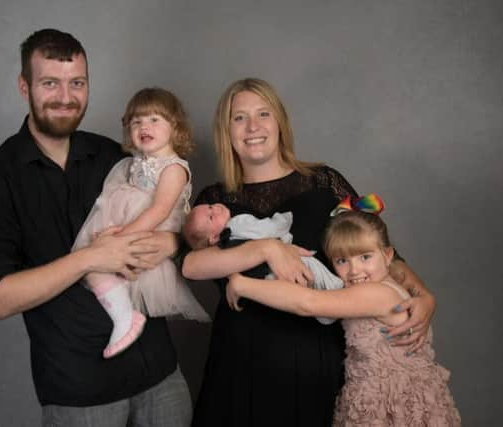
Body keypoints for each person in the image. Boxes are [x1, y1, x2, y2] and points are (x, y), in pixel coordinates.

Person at [0, 29, 191, 426]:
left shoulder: (114, 155)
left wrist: (170, 242)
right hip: (81, 395)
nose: (66, 97)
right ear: (23, 86)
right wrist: (89, 259)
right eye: (50, 83)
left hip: (162, 379)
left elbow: (174, 215)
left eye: (77, 83)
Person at [181, 77, 436, 426]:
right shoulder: (214, 202)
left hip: (319, 358)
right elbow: (192, 264)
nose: (253, 126)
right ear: (226, 131)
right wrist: (267, 248)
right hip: (240, 363)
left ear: (280, 122)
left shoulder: (323, 183)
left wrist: (423, 296)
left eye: (263, 114)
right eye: (239, 118)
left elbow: (381, 253)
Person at [226, 194, 461, 426]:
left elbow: (308, 304)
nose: (354, 270)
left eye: (365, 257)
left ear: (388, 255)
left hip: (392, 400)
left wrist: (243, 284)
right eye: (341, 261)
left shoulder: (377, 294)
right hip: (378, 390)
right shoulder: (389, 283)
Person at [72, 87, 209, 359]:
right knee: (91, 266)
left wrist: (122, 235)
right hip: (132, 230)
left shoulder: (174, 168)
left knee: (99, 262)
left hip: (149, 234)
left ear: (175, 127)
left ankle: (124, 319)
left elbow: (159, 211)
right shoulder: (132, 164)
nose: (144, 126)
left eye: (154, 120)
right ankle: (124, 315)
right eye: (137, 122)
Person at [182, 203, 343, 324]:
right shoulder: (237, 223)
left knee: (298, 292)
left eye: (211, 206)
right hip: (277, 266)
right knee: (310, 267)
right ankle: (337, 289)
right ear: (214, 238)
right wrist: (283, 219)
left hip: (263, 279)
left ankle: (326, 312)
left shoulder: (223, 248)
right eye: (211, 217)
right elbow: (267, 229)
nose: (216, 209)